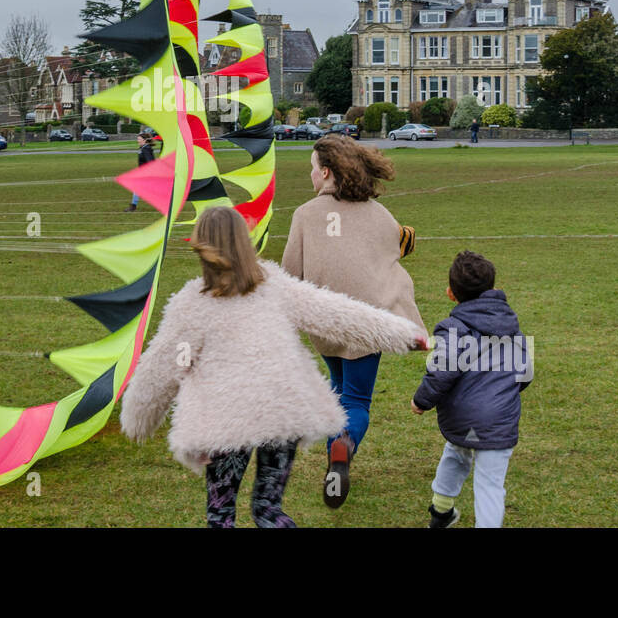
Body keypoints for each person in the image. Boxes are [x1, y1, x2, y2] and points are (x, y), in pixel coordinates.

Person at [120, 206, 427, 528]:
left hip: (227, 417)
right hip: (281, 408)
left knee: (221, 514)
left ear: (201, 247)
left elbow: (164, 365)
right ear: (244, 241)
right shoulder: (273, 286)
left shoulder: (192, 303)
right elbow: (336, 313)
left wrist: (139, 417)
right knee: (268, 510)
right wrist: (401, 333)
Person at [281, 133, 426, 508]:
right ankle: (342, 447)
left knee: (338, 387)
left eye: (311, 169)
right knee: (357, 399)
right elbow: (398, 245)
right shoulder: (378, 213)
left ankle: (337, 447)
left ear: (326, 172)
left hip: (325, 323)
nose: (310, 177)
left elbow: (289, 273)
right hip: (365, 323)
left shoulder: (304, 214)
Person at [411, 250, 531, 528]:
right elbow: (525, 371)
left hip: (462, 414)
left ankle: (441, 512)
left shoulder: (451, 329)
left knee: (455, 452)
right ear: (494, 289)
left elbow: (442, 371)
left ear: (450, 293)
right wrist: (503, 392)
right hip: (499, 419)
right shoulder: (511, 326)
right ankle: (445, 513)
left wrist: (421, 400)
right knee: (489, 484)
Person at [124, 130, 156, 211]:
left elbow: (150, 162)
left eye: (139, 139)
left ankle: (133, 206)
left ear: (144, 140)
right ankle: (133, 205)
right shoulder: (143, 148)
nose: (137, 140)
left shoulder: (146, 149)